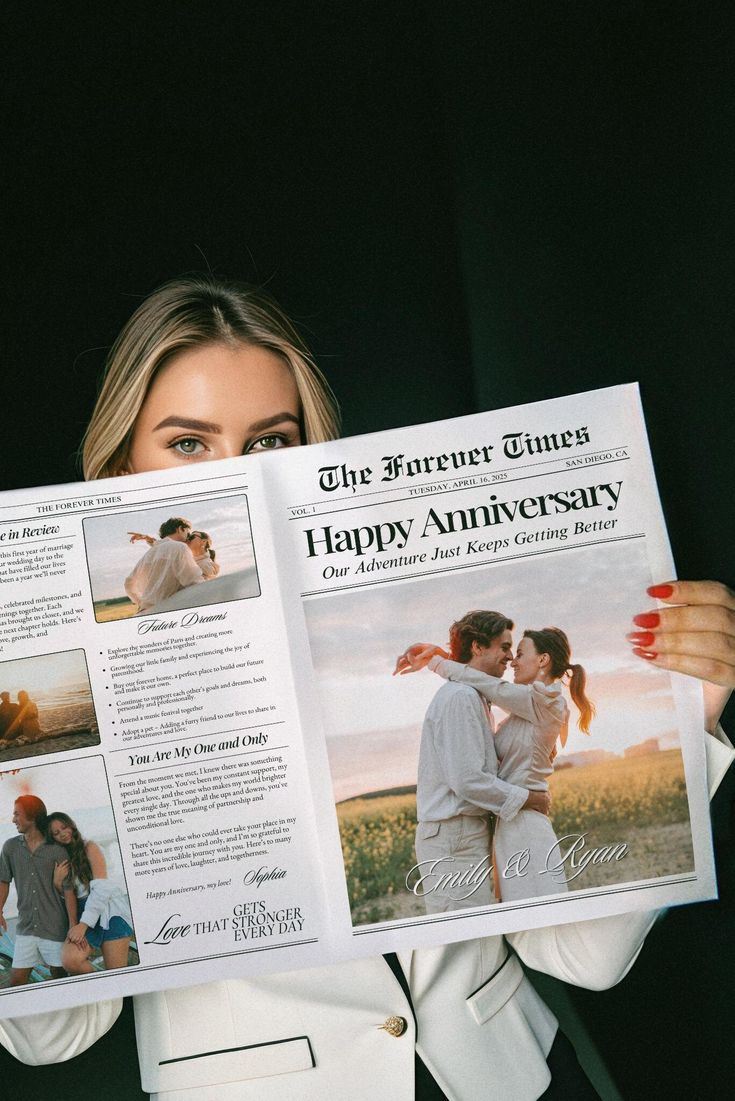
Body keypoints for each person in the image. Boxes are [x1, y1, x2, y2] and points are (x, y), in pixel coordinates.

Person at [0, 276, 732, 1100]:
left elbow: (584, 960)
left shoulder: (411, 643)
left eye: (272, 442)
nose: (236, 473)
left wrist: (689, 715)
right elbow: (51, 1034)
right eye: (189, 443)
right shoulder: (72, 689)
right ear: (120, 466)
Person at [403, 624, 595, 903]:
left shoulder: (547, 701)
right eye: (507, 650)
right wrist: (451, 657)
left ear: (543, 660)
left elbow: (490, 685)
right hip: (511, 819)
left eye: (518, 652)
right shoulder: (526, 706)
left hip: (524, 822)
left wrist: (438, 661)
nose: (512, 661)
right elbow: (482, 681)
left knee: (536, 913)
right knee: (520, 914)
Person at [412, 610, 553, 913]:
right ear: (477, 647)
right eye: (503, 647)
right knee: (468, 934)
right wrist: (530, 799)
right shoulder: (461, 697)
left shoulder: (474, 697)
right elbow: (468, 779)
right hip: (454, 836)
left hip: (462, 833)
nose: (508, 657)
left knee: (478, 928)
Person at [0, 796, 76, 986]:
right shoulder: (10, 848)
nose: (13, 819)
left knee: (60, 976)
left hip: (55, 927)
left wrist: (73, 926)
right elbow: (3, 881)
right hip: (26, 928)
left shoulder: (57, 850)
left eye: (17, 814)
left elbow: (68, 891)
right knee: (17, 981)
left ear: (32, 816)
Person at [46, 812, 134, 974]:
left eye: (64, 828)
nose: (62, 834)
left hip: (109, 912)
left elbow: (101, 890)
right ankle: (101, 988)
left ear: (71, 825)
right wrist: (57, 883)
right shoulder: (61, 858)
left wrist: (83, 925)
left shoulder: (90, 847)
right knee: (70, 960)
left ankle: (112, 990)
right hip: (82, 915)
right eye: (56, 833)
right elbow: (69, 896)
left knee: (117, 976)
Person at [123, 517, 209, 613]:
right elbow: (194, 582)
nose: (188, 538)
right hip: (166, 610)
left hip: (144, 612)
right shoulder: (180, 547)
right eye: (188, 534)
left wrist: (142, 603)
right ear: (180, 529)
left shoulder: (148, 554)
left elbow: (128, 584)